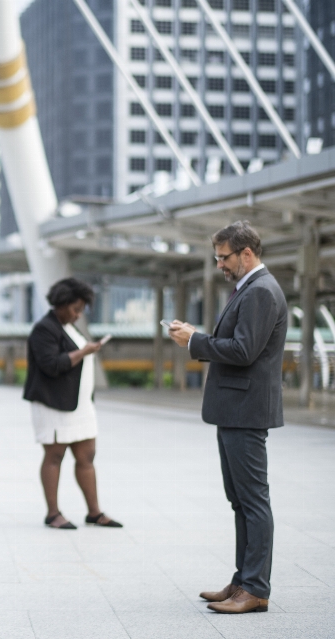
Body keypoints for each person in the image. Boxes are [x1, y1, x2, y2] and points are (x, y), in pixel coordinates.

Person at [169, 221, 286, 614]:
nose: (219, 264)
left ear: (246, 254)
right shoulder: (249, 289)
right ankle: (241, 582)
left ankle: (255, 589)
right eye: (217, 257)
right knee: (240, 501)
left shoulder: (260, 291)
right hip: (236, 409)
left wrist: (195, 340)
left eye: (224, 257)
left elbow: (244, 351)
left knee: (253, 501)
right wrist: (198, 337)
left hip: (246, 410)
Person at [23, 278, 122, 531]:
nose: (78, 314)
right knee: (54, 456)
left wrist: (87, 350)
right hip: (53, 404)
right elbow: (52, 365)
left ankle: (94, 512)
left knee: (87, 456)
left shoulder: (70, 328)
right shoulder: (44, 329)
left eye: (81, 310)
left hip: (79, 405)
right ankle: (53, 514)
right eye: (75, 309)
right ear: (61, 303)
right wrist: (84, 352)